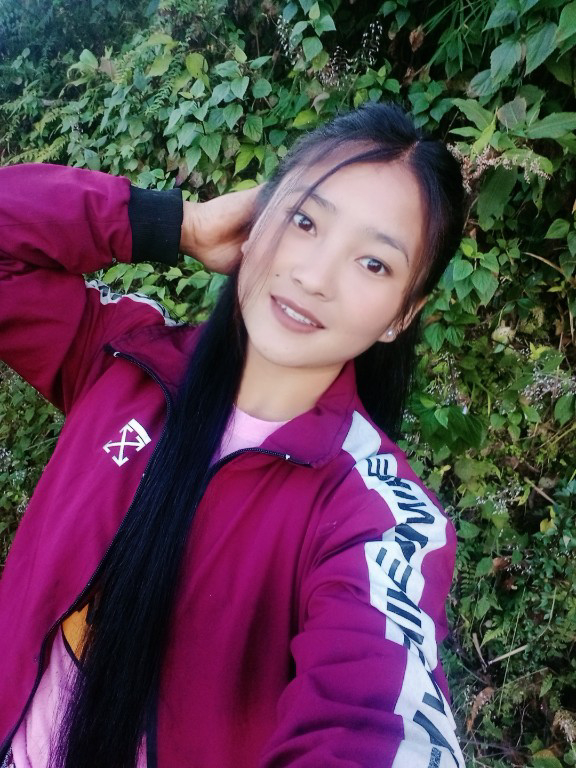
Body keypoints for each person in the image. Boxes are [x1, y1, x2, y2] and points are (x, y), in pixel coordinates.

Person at [0, 102, 466, 768]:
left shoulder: (372, 516)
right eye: (304, 220)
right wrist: (177, 224)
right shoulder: (125, 360)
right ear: (256, 219)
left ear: (403, 314)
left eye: (374, 264)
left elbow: (378, 714)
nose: (313, 277)